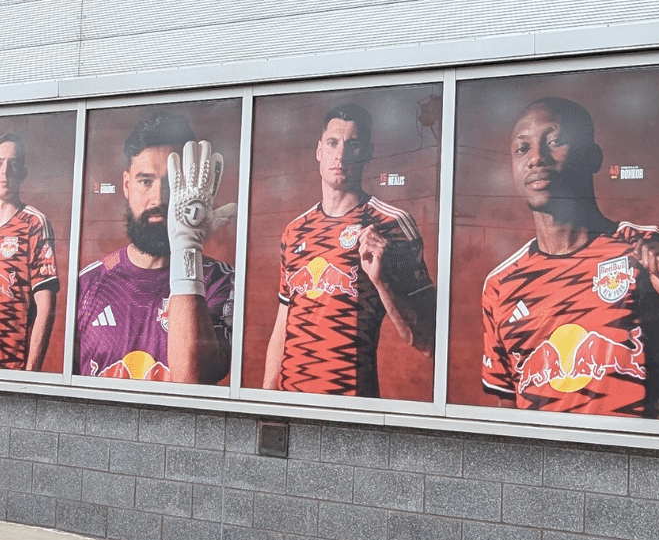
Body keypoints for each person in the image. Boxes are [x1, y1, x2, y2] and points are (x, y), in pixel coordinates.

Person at [482, 97, 659, 418]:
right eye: (522, 149)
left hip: (638, 461)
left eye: (555, 141)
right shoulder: (501, 285)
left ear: (593, 158)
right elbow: (507, 404)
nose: (537, 157)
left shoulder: (644, 251)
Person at [262, 102, 435, 396]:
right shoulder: (294, 231)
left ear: (367, 152)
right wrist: (266, 395)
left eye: (352, 145)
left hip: (351, 407)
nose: (340, 154)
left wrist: (382, 281)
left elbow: (427, 340)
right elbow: (283, 324)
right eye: (332, 143)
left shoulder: (389, 223)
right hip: (290, 403)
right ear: (319, 151)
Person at [76, 111, 235, 383]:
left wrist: (187, 247)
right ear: (127, 184)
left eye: (171, 183)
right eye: (145, 181)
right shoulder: (89, 282)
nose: (158, 198)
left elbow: (193, 381)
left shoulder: (219, 281)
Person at [0, 133, 59, 371]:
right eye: (0, 162)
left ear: (22, 172)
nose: (5, 172)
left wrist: (31, 375)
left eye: (12, 164)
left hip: (11, 368)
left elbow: (46, 307)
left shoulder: (34, 223)